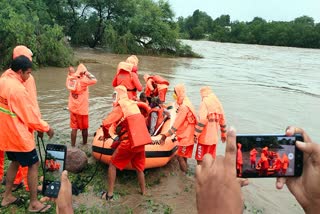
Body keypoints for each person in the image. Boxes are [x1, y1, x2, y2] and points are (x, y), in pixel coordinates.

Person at [196, 126, 320, 214]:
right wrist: (315, 204)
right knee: (255, 166)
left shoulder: (267, 155)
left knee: (257, 166)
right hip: (258, 162)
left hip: (262, 162)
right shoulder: (261, 154)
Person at [0, 56, 54, 212]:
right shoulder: (18, 89)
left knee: (15, 162)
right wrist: (46, 127)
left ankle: (7, 196)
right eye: (28, 73)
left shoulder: (3, 80)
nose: (28, 77)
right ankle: (34, 203)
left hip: (6, 134)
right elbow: (30, 116)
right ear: (20, 71)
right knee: (33, 164)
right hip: (18, 136)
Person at [101, 85, 151, 200]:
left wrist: (106, 135)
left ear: (118, 95)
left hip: (129, 142)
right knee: (139, 169)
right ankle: (144, 192)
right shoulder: (133, 104)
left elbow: (105, 123)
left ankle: (109, 194)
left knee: (112, 164)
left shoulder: (121, 107)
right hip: (140, 142)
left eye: (115, 95)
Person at [0, 45, 38, 192]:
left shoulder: (4, 76)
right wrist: (42, 126)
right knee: (30, 161)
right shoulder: (25, 79)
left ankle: (14, 184)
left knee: (14, 159)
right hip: (22, 124)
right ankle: (30, 189)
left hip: (6, 126)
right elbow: (31, 106)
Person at [160, 84, 197, 173]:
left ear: (178, 93)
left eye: (175, 93)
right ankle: (186, 171)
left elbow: (176, 124)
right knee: (184, 156)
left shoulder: (183, 107)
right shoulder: (187, 102)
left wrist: (165, 135)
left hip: (186, 137)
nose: (174, 95)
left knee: (179, 156)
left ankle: (184, 177)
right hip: (187, 135)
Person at [66, 64, 97, 147]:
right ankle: (85, 144)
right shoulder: (84, 81)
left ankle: (72, 146)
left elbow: (70, 74)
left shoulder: (71, 79)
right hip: (82, 109)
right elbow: (94, 80)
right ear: (83, 72)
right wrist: (87, 73)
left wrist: (72, 72)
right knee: (84, 128)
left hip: (73, 108)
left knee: (74, 128)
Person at [194, 86, 227, 163]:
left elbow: (202, 121)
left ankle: (200, 174)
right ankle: (210, 174)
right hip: (214, 139)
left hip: (204, 139)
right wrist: (223, 134)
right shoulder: (218, 104)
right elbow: (223, 121)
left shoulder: (204, 103)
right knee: (211, 159)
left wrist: (196, 135)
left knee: (200, 160)